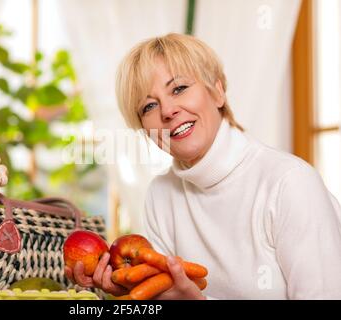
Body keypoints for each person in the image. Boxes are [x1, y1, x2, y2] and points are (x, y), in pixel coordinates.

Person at [65, 33, 341, 299]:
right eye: (149, 106)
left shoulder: (290, 184)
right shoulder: (161, 195)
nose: (167, 111)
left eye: (179, 89)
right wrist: (131, 292)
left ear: (218, 92)